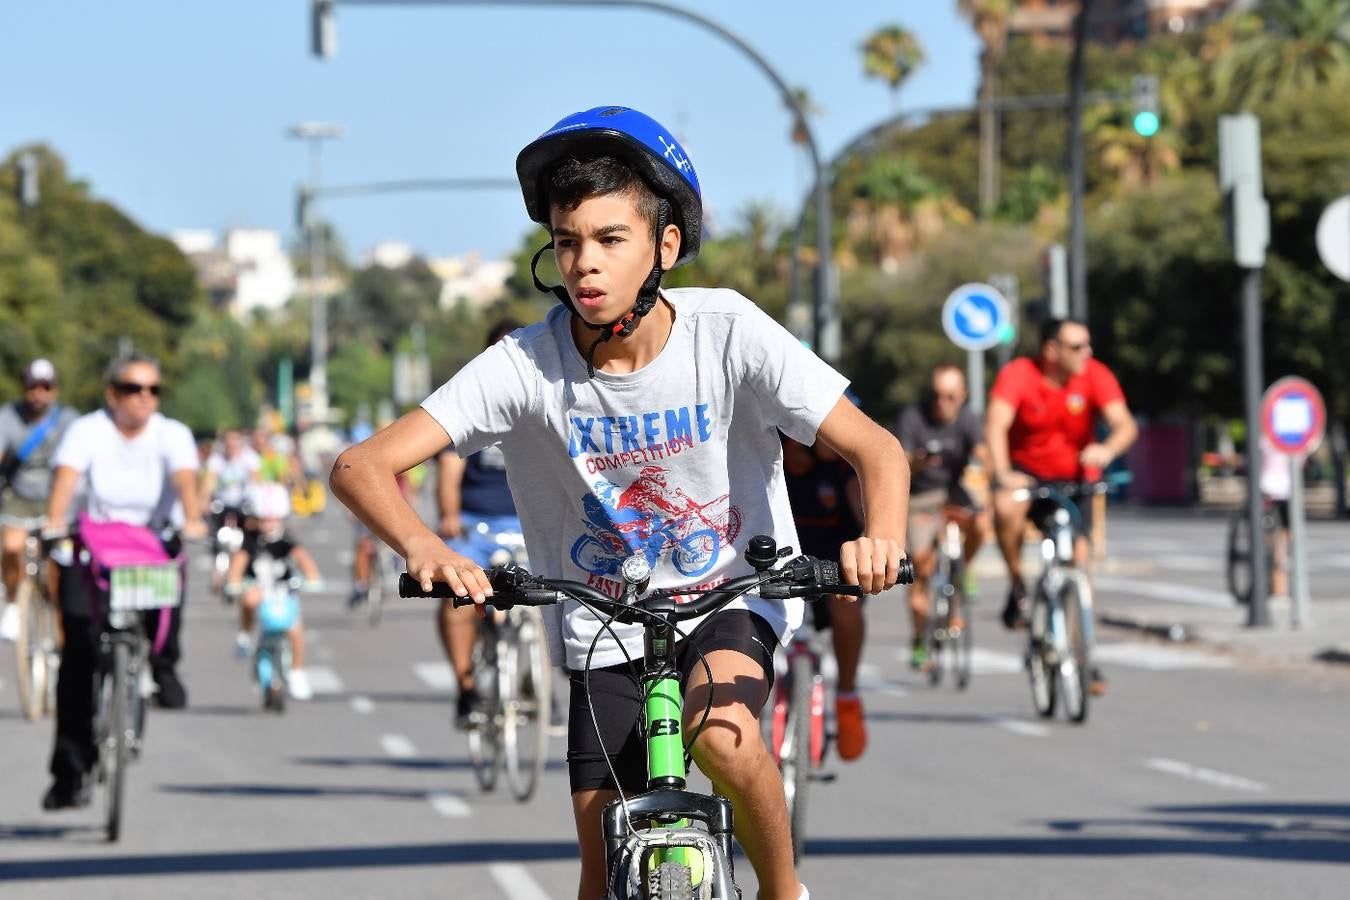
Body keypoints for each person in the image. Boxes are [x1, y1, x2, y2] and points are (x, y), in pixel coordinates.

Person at [330, 106, 910, 900]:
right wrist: (425, 546)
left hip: (729, 595)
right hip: (601, 622)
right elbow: (361, 465)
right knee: (601, 873)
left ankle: (784, 890)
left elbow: (878, 448)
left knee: (727, 736)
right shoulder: (525, 366)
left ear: (664, 247)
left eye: (610, 239)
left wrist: (881, 537)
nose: (583, 265)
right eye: (567, 243)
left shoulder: (729, 331)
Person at [40, 354, 206, 810]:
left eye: (153, 389)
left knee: (168, 597)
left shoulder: (171, 434)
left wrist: (191, 519)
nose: (145, 399)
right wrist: (55, 522)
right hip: (94, 548)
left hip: (151, 546)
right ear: (113, 394)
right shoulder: (87, 431)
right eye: (134, 389)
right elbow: (66, 479)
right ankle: (69, 773)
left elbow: (185, 479)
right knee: (78, 654)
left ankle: (164, 664)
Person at [985, 318, 1137, 694]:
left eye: (1088, 344)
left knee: (1079, 566)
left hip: (1074, 482)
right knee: (1005, 507)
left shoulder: (1094, 375)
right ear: (1051, 350)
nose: (1087, 352)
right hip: (1027, 476)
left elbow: (1124, 425)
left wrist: (1107, 448)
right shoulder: (1019, 374)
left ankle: (1084, 657)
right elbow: (995, 425)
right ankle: (1018, 586)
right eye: (1076, 346)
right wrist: (1004, 471)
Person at [435, 319, 524, 729]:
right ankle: (466, 686)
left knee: (568, 599)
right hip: (476, 524)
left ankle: (534, 679)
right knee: (457, 601)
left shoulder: (541, 400)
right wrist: (450, 516)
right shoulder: (470, 404)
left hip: (527, 527)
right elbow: (449, 470)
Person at [896, 364, 993, 670]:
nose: (943, 403)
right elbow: (901, 463)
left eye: (951, 397)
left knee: (981, 521)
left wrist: (992, 479)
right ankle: (918, 640)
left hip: (952, 490)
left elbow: (983, 453)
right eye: (938, 396)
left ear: (962, 396)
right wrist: (920, 464)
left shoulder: (968, 419)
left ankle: (964, 568)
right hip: (920, 496)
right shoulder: (913, 418)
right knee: (921, 569)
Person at [780, 430, 869, 760]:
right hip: (783, 553)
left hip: (835, 555)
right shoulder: (779, 452)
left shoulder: (847, 470)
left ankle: (847, 696)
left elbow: (867, 518)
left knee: (847, 612)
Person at [0, 359, 78, 642]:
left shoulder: (69, 420)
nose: (38, 393)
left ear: (55, 390)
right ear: (24, 387)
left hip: (57, 498)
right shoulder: (8, 417)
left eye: (45, 387)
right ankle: (11, 600)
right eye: (33, 386)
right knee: (11, 547)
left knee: (59, 574)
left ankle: (60, 637)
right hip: (19, 496)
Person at [226, 481, 321, 701]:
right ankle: (245, 636)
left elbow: (302, 558)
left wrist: (312, 577)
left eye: (272, 519)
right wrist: (234, 580)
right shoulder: (251, 540)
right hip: (258, 587)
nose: (268, 523)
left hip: (283, 590)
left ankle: (296, 672)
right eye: (264, 519)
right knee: (249, 599)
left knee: (296, 630)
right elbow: (240, 561)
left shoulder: (286, 540)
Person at [197, 427, 261, 590]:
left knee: (251, 534)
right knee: (215, 535)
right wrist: (203, 502)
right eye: (229, 443)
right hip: (223, 504)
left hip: (244, 504)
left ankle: (247, 568)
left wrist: (257, 503)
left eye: (235, 442)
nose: (232, 446)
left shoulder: (250, 458)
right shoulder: (217, 460)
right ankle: (219, 565)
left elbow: (256, 481)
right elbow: (209, 483)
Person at [1258, 434, 1292, 601]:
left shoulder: (1265, 439)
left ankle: (1279, 587)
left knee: (1276, 543)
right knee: (1279, 544)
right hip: (1279, 489)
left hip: (1273, 489)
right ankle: (1279, 587)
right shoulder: (1275, 439)